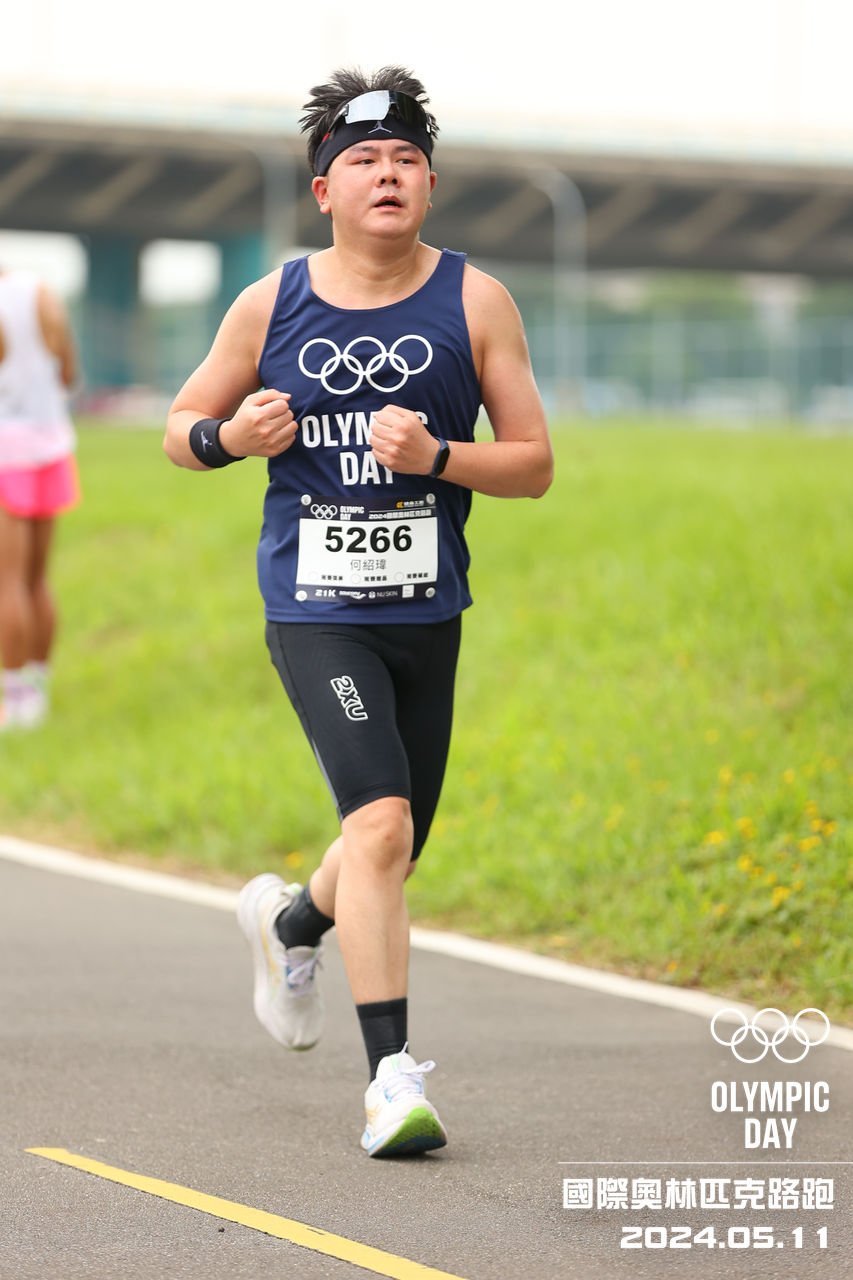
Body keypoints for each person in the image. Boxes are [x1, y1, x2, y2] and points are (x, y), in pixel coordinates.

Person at [164, 65, 553, 1156]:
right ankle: (391, 1080)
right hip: (315, 609)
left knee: (392, 844)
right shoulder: (270, 303)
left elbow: (532, 463)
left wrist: (439, 456)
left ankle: (292, 922)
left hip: (428, 610)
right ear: (324, 190)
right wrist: (230, 438)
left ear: (430, 185)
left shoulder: (476, 301)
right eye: (363, 161)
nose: (387, 175)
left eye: (406, 160)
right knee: (378, 825)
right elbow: (181, 428)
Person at [0, 266, 78, 732]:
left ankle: (13, 700)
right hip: (53, 448)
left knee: (6, 583)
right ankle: (36, 690)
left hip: (5, 452)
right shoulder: (43, 293)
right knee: (35, 580)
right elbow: (68, 374)